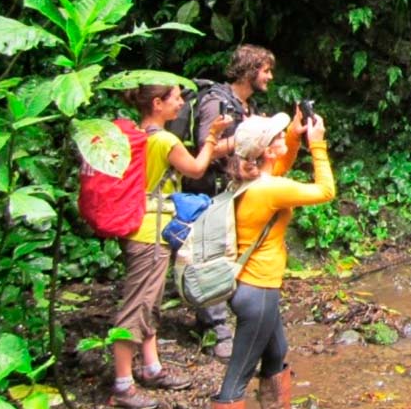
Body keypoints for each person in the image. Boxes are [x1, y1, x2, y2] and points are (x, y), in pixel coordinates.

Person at [110, 84, 230, 408]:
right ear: (157, 103)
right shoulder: (165, 140)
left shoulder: (137, 136)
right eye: (176, 98)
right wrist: (212, 136)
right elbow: (196, 168)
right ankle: (122, 384)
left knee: (150, 302)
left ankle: (151, 368)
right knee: (137, 306)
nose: (181, 103)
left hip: (140, 227)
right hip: (150, 233)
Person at [212, 111, 335, 409]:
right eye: (278, 137)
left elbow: (279, 166)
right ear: (266, 151)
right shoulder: (269, 189)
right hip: (258, 291)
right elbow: (326, 191)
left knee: (277, 352)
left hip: (250, 286)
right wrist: (317, 145)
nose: (283, 138)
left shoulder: (248, 180)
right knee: (237, 378)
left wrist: (293, 134)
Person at [181, 44, 276, 360]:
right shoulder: (216, 102)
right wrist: (248, 136)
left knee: (229, 255)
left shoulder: (246, 105)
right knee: (211, 257)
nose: (269, 77)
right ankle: (216, 330)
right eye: (265, 71)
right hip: (208, 193)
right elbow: (204, 147)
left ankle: (218, 320)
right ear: (250, 71)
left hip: (234, 190)